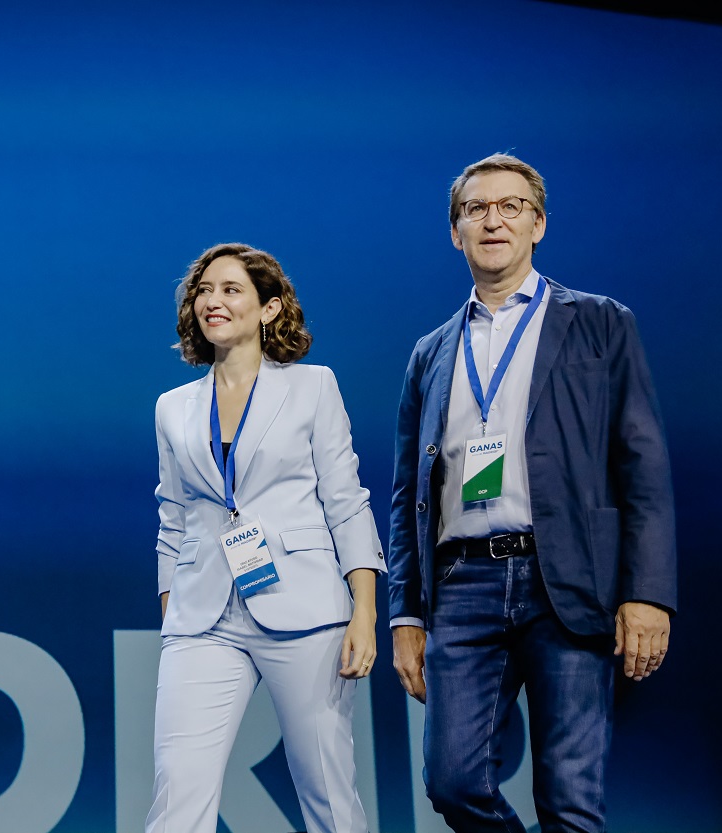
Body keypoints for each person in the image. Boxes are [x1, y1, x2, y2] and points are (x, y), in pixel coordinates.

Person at [387, 153, 677, 832]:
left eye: (510, 206)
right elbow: (407, 494)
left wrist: (648, 592)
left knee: (571, 801)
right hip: (461, 587)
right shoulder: (429, 353)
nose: (493, 220)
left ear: (538, 223)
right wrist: (405, 612)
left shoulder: (601, 323)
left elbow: (644, 466)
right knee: (453, 782)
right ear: (454, 232)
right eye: (475, 209)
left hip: (568, 579)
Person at [147, 242, 383, 833]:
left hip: (305, 611)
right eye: (204, 290)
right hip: (202, 619)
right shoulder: (172, 408)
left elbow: (346, 501)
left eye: (231, 290)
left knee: (328, 792)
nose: (213, 301)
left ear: (269, 309)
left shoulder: (313, 387)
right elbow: (172, 516)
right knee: (177, 793)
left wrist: (364, 611)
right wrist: (174, 610)